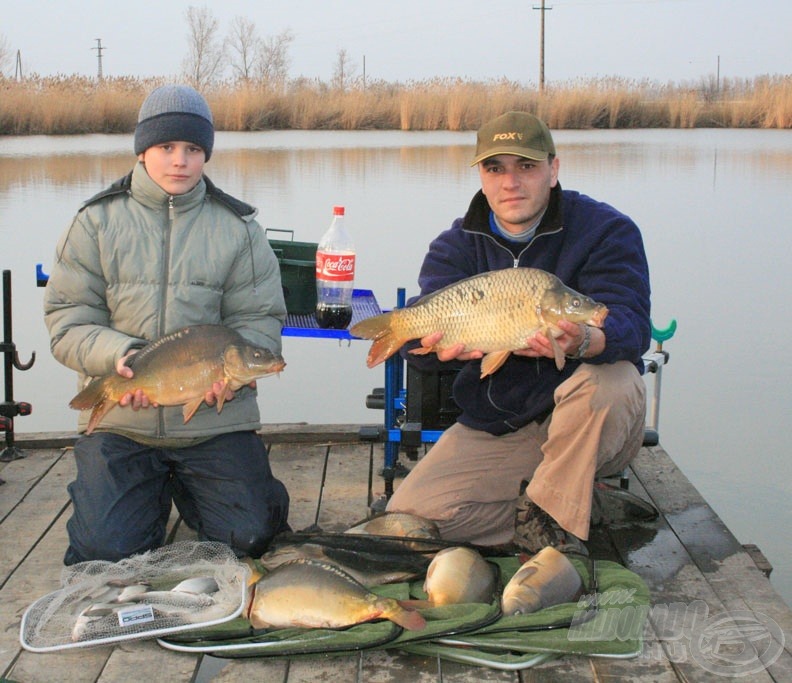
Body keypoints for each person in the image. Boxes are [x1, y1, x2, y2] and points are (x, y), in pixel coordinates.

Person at [43, 84, 290, 565]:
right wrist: (120, 358)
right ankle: (146, 493)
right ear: (142, 150)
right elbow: (67, 320)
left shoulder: (238, 228)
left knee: (252, 537)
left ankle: (205, 489)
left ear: (206, 155)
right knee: (103, 550)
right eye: (166, 147)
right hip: (123, 422)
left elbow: (259, 320)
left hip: (214, 423)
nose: (179, 160)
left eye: (193, 149)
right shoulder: (95, 222)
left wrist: (232, 381)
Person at [386, 111, 650, 555]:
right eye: (495, 168)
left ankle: (555, 510)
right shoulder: (454, 247)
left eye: (525, 166)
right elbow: (424, 347)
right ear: (482, 177)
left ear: (553, 169)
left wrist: (586, 342)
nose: (510, 182)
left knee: (614, 381)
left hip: (590, 422)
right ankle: (566, 511)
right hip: (504, 425)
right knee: (412, 519)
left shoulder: (606, 230)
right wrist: (431, 350)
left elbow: (631, 322)